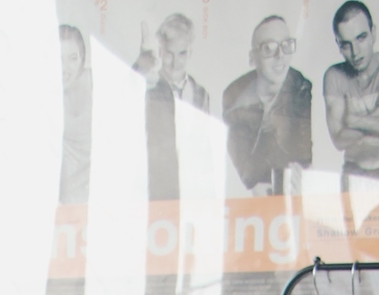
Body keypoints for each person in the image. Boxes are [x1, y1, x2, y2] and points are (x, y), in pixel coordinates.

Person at [322, 1, 379, 193]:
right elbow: (339, 141)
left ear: (373, 33)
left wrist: (355, 121)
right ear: (338, 45)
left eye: (361, 38)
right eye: (346, 45)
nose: (355, 52)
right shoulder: (334, 76)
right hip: (353, 176)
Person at [222, 15, 313, 195]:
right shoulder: (234, 97)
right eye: (269, 48)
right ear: (252, 58)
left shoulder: (300, 87)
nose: (280, 56)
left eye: (286, 45)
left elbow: (302, 160)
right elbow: (245, 173)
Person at [134, 13, 210, 202]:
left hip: (191, 193)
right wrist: (137, 71)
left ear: (190, 52)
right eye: (169, 54)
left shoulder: (201, 94)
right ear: (160, 51)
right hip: (156, 194)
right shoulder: (147, 87)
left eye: (182, 53)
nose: (176, 63)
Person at [59, 23, 92, 205]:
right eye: (58, 58)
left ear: (82, 59)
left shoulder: (94, 82)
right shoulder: (43, 97)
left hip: (101, 193)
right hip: (68, 198)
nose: (65, 68)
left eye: (72, 58)